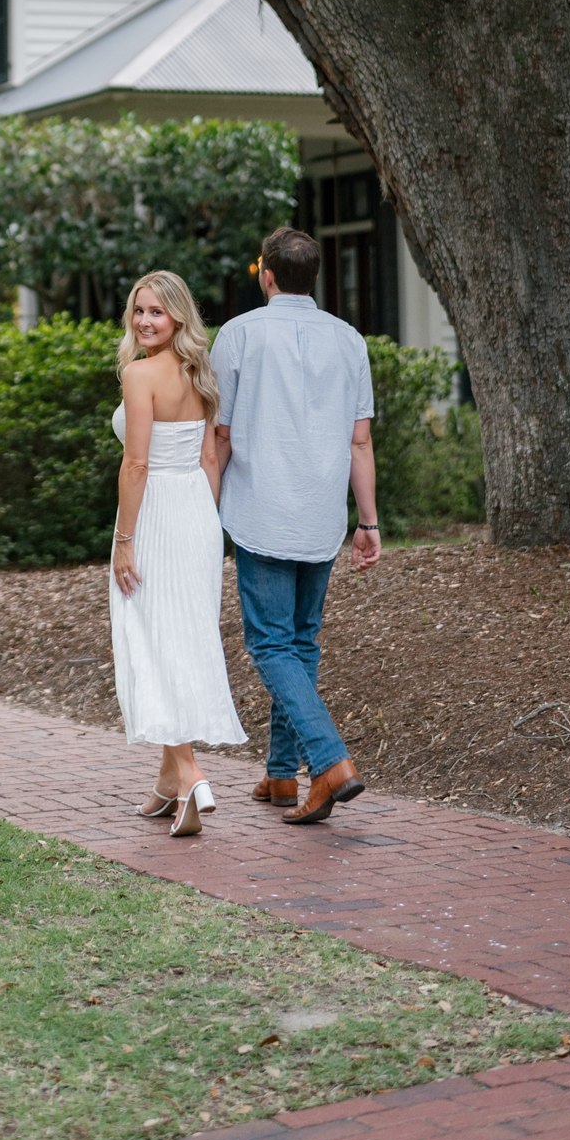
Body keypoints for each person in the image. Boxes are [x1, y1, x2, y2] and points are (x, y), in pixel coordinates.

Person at [212, 226, 381, 825]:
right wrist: (368, 522)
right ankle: (283, 773)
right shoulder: (350, 340)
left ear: (267, 275)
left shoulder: (238, 335)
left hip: (261, 511)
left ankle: (329, 763)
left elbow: (222, 435)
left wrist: (204, 508)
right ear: (313, 277)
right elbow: (360, 441)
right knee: (301, 642)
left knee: (271, 644)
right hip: (320, 514)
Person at [110, 270, 246, 837]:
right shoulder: (199, 372)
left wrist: (125, 540)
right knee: (180, 637)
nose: (144, 321)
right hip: (196, 512)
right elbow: (211, 458)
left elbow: (137, 463)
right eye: (139, 310)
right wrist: (206, 527)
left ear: (178, 318)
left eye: (156, 312)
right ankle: (170, 780)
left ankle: (190, 774)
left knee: (152, 638)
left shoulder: (139, 375)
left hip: (157, 513)